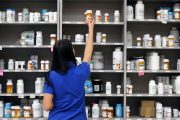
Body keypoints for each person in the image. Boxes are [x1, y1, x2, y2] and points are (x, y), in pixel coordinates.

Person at [43, 17, 94, 120]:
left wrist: (58, 106)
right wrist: (91, 28)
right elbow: (88, 53)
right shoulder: (81, 71)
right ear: (71, 52)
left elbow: (47, 106)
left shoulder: (51, 75)